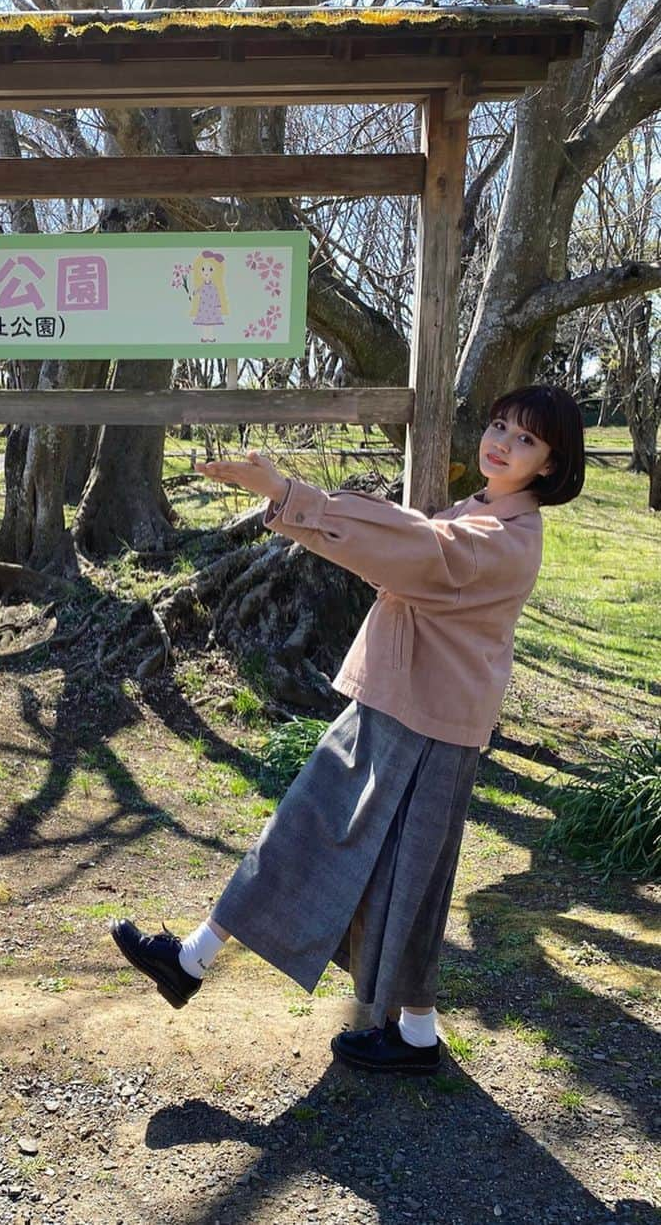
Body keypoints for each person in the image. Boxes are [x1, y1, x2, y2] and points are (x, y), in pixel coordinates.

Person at [111, 385, 585, 1075]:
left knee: (407, 877)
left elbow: (419, 548)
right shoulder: (482, 512)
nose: (503, 442)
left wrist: (290, 494)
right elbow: (414, 544)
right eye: (499, 424)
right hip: (394, 704)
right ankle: (193, 958)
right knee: (307, 832)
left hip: (430, 727)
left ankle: (411, 1030)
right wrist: (291, 500)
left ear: (549, 464)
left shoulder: (504, 539)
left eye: (526, 440)